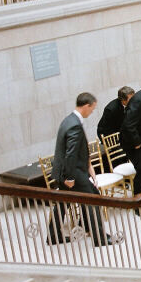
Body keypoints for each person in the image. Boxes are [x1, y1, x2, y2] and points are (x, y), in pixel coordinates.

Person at [49, 91, 111, 246]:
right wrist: (70, 177)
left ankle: (54, 235)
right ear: (86, 105)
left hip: (66, 170)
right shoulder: (75, 125)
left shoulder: (69, 120)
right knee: (92, 198)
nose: (92, 111)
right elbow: (71, 154)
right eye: (92, 108)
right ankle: (100, 237)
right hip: (73, 172)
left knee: (63, 203)